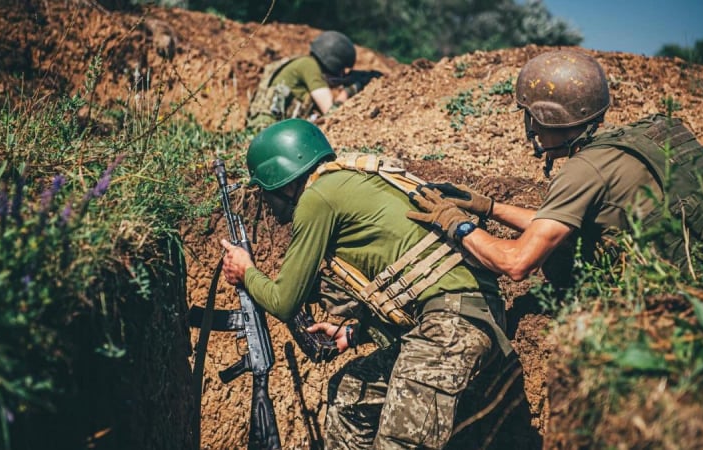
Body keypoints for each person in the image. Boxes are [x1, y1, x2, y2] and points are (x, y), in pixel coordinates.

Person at [220, 118, 513, 449]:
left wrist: (246, 271)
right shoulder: (354, 178)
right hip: (459, 317)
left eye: (266, 190)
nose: (267, 202)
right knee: (349, 396)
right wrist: (354, 333)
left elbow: (284, 301)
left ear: (283, 180)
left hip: (451, 325)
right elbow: (407, 272)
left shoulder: (317, 199)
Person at [407, 49, 703, 286]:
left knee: (559, 263)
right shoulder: (645, 135)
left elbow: (517, 263)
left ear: (543, 116)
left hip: (678, 296)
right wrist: (490, 208)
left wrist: (458, 224)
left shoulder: (583, 171)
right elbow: (557, 224)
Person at [246, 31, 369, 131]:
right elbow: (331, 113)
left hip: (261, 129)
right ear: (333, 63)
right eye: (342, 70)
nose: (342, 74)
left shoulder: (304, 62)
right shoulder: (310, 66)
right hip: (266, 131)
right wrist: (349, 91)